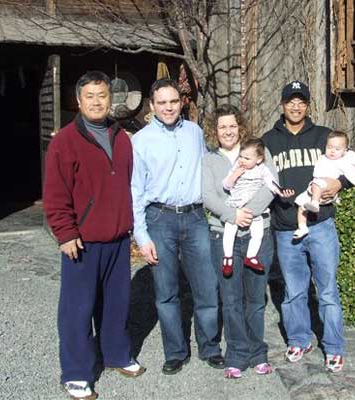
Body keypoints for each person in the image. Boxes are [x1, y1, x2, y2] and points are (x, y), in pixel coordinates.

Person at [43, 71, 144, 400]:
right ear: (79, 100)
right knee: (77, 309)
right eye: (91, 96)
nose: (98, 101)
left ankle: (116, 354)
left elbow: (128, 184)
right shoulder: (65, 141)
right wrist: (65, 232)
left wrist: (129, 226)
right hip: (82, 241)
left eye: (102, 95)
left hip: (117, 238)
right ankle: (75, 372)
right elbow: (56, 194)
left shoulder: (121, 137)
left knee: (116, 304)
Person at [131, 78, 224, 375]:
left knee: (207, 286)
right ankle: (175, 351)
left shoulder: (194, 132)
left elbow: (211, 166)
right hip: (160, 219)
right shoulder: (141, 140)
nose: (169, 107)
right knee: (166, 290)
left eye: (173, 101)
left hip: (196, 216)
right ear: (152, 105)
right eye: (162, 102)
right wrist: (142, 236)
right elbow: (134, 190)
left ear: (181, 102)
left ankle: (209, 347)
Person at [262, 81, 351, 373]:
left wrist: (341, 183)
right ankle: (299, 338)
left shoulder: (324, 136)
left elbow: (349, 166)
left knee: (327, 292)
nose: (296, 106)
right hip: (286, 228)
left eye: (301, 101)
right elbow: (258, 176)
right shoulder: (269, 141)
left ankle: (334, 347)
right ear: (282, 104)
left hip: (321, 225)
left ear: (308, 105)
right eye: (291, 101)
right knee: (294, 291)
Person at [202, 104, 276, 379]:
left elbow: (272, 185)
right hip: (223, 235)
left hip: (259, 233)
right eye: (222, 127)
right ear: (215, 131)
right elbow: (208, 194)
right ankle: (237, 355)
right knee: (231, 300)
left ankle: (259, 353)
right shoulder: (209, 159)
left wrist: (248, 214)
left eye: (232, 125)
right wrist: (233, 214)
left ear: (240, 127)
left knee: (255, 300)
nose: (228, 131)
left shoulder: (259, 151)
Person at [221, 137, 292, 276]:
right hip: (236, 205)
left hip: (254, 209)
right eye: (241, 156)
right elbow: (226, 185)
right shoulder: (237, 167)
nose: (242, 160)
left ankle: (251, 256)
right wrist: (235, 175)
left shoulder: (262, 169)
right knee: (229, 231)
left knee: (258, 234)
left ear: (258, 159)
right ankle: (228, 258)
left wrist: (280, 192)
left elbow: (271, 183)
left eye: (247, 158)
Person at [293, 130, 355, 239]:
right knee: (301, 206)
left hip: (325, 190)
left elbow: (352, 175)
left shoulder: (342, 162)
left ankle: (315, 203)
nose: (332, 151)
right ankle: (302, 227)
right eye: (329, 147)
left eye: (337, 149)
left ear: (345, 151)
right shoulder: (323, 158)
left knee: (316, 183)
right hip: (315, 191)